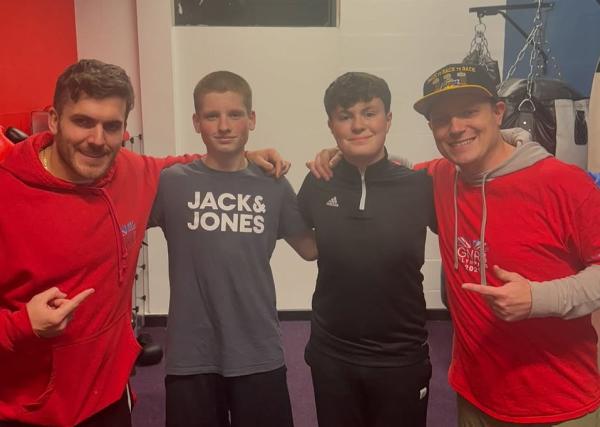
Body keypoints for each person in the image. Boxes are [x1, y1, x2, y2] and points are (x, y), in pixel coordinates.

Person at [0, 59, 288, 427]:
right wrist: (22, 325)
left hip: (109, 399)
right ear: (55, 119)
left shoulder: (133, 172)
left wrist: (244, 156)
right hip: (27, 411)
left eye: (112, 126)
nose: (97, 139)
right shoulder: (7, 193)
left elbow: (196, 165)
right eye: (83, 121)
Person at [309, 64, 600, 425]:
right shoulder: (438, 179)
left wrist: (539, 298)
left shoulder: (565, 184)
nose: (456, 127)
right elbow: (387, 172)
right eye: (442, 119)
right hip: (475, 396)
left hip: (558, 401)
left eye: (468, 111)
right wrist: (335, 155)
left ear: (498, 112)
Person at [149, 70, 317, 427]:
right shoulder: (171, 182)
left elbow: (311, 248)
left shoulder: (273, 184)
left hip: (257, 350)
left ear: (251, 119)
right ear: (197, 122)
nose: (224, 126)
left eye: (235, 115)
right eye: (212, 116)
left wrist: (344, 173)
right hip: (191, 352)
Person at [297, 72, 436, 427]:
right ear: (332, 126)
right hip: (332, 354)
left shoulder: (420, 185)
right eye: (345, 116)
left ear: (388, 119)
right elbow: (304, 243)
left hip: (401, 357)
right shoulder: (317, 182)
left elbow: (476, 169)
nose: (358, 125)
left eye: (369, 113)